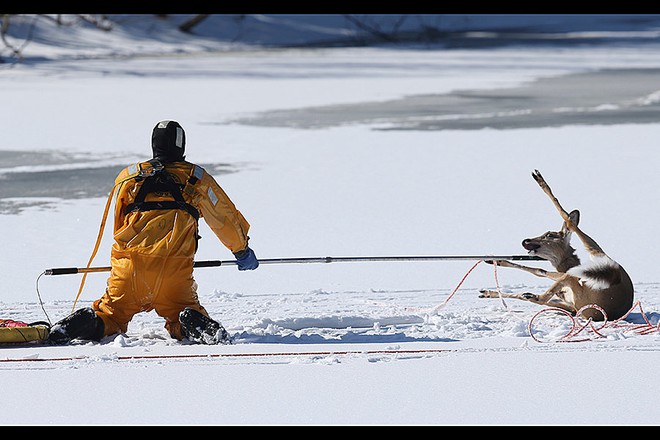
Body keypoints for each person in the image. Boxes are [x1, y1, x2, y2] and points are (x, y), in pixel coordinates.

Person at [47, 120, 259, 345]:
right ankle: (189, 320)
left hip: (129, 270)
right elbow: (224, 218)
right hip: (173, 272)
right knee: (181, 313)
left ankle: (90, 322)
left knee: (111, 316)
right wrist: (241, 249)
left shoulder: (129, 178)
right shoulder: (196, 179)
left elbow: (119, 226)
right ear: (182, 145)